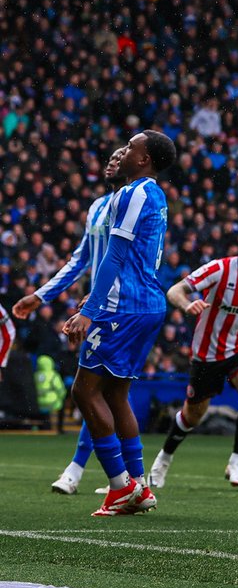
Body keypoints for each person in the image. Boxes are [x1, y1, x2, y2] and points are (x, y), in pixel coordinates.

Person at [62, 131, 178, 516]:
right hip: (146, 304)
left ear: (144, 159)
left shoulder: (133, 194)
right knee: (115, 394)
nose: (124, 151)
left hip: (122, 308)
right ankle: (140, 486)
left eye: (131, 147)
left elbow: (114, 255)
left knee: (84, 390)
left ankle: (119, 485)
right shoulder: (155, 195)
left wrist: (92, 310)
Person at [12, 148, 126, 495]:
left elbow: (130, 260)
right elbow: (81, 261)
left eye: (121, 156)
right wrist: (41, 295)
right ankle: (120, 478)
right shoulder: (97, 207)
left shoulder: (138, 202)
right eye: (110, 156)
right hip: (102, 307)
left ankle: (106, 476)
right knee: (102, 391)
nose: (111, 160)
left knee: (94, 390)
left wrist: (97, 303)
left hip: (124, 308)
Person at [148, 226, 238, 490]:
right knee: (193, 415)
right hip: (207, 352)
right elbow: (174, 291)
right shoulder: (220, 269)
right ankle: (164, 457)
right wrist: (187, 304)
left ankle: (237, 461)